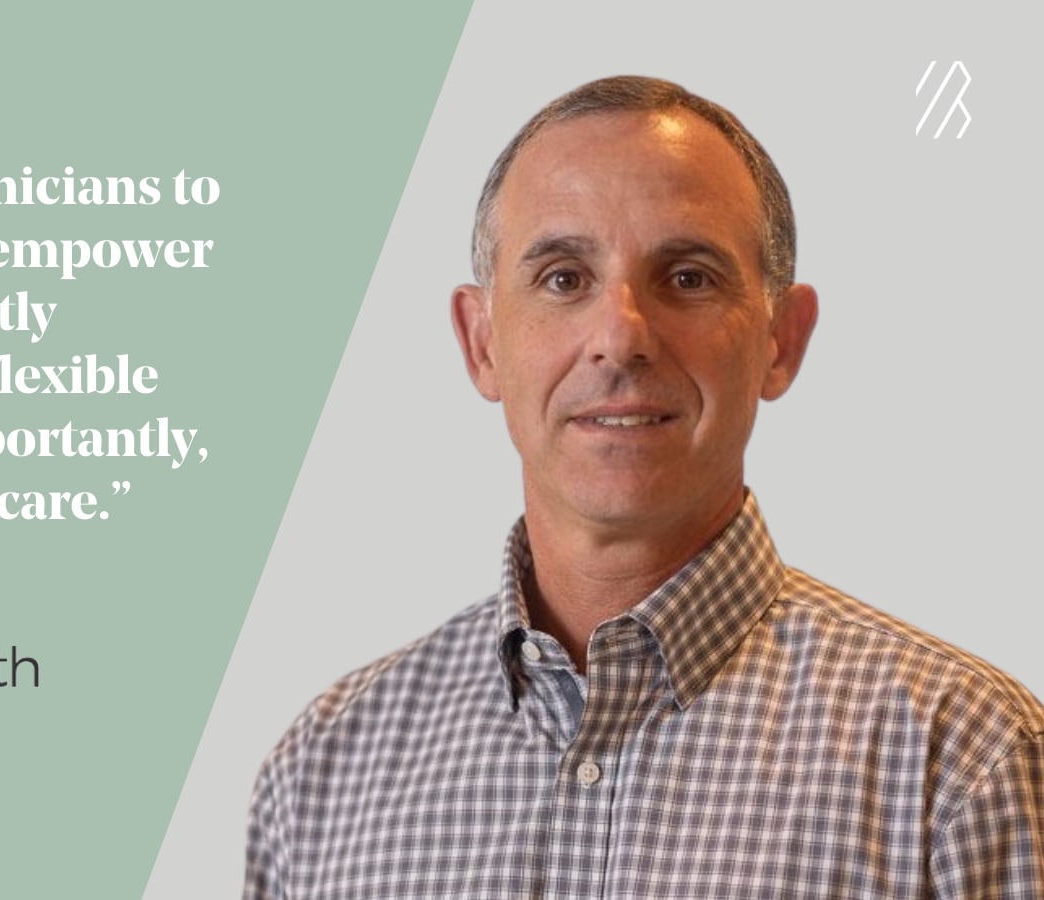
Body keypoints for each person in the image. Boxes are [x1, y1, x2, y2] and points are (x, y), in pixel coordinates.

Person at [244, 76, 1044, 898]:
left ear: (781, 339)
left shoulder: (960, 760)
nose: (621, 337)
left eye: (688, 277)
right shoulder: (318, 777)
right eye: (563, 278)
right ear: (481, 343)